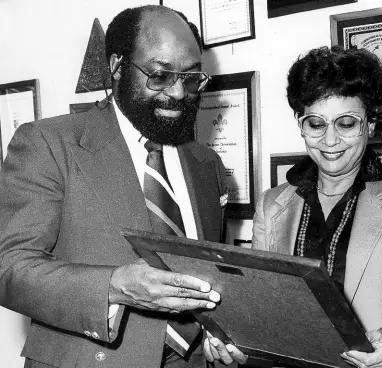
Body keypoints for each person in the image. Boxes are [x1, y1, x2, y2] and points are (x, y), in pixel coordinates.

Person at [204, 45, 382, 368]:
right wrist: (236, 342)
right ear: (301, 123)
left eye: (346, 124)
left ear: (370, 124)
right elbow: (264, 314)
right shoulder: (273, 205)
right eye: (316, 124)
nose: (330, 141)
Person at [0, 5, 229, 368]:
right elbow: (8, 266)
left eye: (190, 77)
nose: (179, 93)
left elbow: (217, 271)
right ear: (118, 67)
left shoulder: (207, 164)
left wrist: (222, 331)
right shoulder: (48, 143)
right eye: (159, 75)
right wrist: (115, 286)